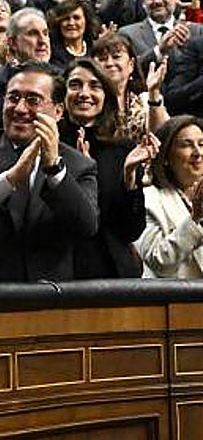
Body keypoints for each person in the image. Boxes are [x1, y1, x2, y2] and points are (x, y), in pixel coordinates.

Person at [0, 62, 99, 281]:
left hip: (49, 301)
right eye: (13, 98)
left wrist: (54, 169)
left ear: (57, 111)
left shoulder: (78, 165)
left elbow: (86, 226)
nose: (19, 109)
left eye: (33, 100)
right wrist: (9, 180)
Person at [60, 58, 149, 278]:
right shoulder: (48, 145)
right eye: (75, 85)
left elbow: (131, 230)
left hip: (111, 271)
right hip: (60, 269)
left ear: (105, 97)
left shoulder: (124, 150)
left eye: (95, 86)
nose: (84, 93)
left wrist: (129, 178)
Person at [137, 115, 203, 277]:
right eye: (186, 145)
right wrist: (195, 220)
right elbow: (159, 261)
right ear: (166, 157)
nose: (198, 152)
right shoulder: (148, 199)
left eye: (202, 144)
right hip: (173, 299)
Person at [91, 31, 168, 141]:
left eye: (116, 57)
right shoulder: (89, 98)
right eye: (102, 59)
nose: (109, 63)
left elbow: (162, 135)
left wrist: (154, 92)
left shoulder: (145, 99)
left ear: (131, 65)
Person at [47, 0, 100, 68]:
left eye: (76, 18)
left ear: (86, 21)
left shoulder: (95, 50)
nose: (71, 23)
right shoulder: (50, 51)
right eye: (66, 18)